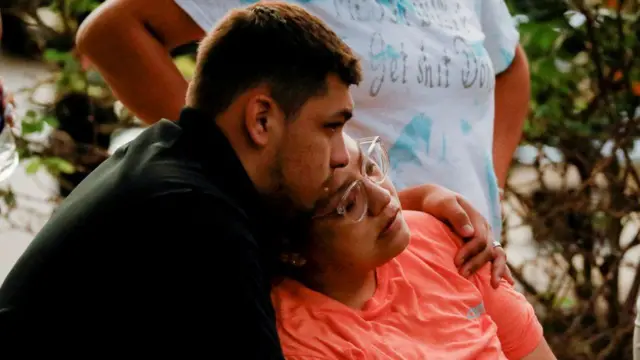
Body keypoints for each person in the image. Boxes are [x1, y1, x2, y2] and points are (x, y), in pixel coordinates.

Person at [0, 2, 504, 355]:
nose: (338, 159)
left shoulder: (173, 159)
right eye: (331, 127)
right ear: (261, 119)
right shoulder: (199, 220)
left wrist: (419, 203)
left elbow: (304, 228)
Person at [75, 0, 531, 261]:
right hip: (344, 273)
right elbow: (112, 34)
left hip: (465, 254)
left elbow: (508, 66)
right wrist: (231, 166)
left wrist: (486, 189)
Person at [271, 135, 556, 360]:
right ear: (291, 251)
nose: (384, 197)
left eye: (370, 168)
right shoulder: (303, 343)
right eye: (348, 204)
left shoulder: (442, 240)